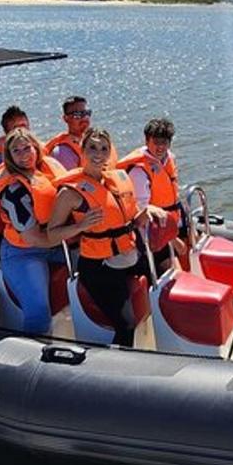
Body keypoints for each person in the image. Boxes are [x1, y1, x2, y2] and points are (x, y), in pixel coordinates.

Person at [47, 127, 167, 346]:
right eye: (92, 147)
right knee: (126, 325)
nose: (98, 154)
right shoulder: (70, 193)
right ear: (82, 151)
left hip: (127, 255)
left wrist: (145, 211)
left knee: (164, 276)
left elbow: (127, 219)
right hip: (98, 267)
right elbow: (52, 235)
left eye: (104, 148)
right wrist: (80, 226)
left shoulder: (116, 181)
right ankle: (119, 370)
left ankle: (162, 343)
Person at [0, 128, 68, 333]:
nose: (24, 155)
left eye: (27, 148)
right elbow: (34, 238)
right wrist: (77, 229)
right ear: (9, 157)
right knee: (38, 314)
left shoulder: (44, 173)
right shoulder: (13, 191)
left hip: (55, 245)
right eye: (16, 151)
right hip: (23, 253)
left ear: (36, 149)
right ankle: (34, 354)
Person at [117, 118, 185, 272]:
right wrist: (173, 240)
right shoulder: (139, 171)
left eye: (165, 142)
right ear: (147, 141)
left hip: (172, 220)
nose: (161, 147)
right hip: (153, 232)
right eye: (156, 142)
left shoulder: (169, 158)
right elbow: (143, 211)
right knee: (172, 270)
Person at [44, 96, 92, 170]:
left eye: (86, 113)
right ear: (66, 118)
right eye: (77, 115)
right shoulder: (63, 152)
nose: (84, 118)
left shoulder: (99, 143)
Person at [0, 105, 32, 169]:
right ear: (6, 132)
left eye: (23, 125)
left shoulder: (36, 147)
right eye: (15, 128)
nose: (21, 130)